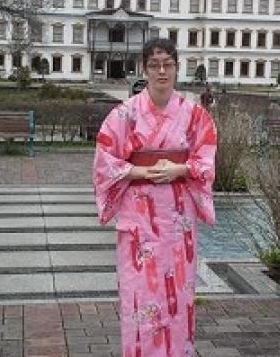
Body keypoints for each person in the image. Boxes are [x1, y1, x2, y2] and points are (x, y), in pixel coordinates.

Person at [93, 37, 217, 357]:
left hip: (178, 217)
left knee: (178, 291)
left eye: (168, 64)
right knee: (139, 293)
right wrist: (140, 173)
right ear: (144, 70)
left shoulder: (195, 115)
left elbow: (205, 160)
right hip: (139, 217)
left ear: (177, 68)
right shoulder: (124, 115)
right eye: (154, 65)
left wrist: (180, 168)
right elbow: (105, 161)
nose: (162, 71)